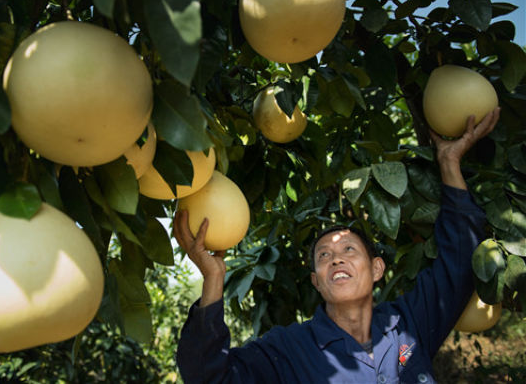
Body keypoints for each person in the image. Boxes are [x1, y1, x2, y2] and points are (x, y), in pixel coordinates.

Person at [173, 108, 501, 384]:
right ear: (316, 280)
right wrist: (214, 279)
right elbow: (208, 377)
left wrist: (449, 162)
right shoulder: (289, 349)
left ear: (376, 269)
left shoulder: (410, 323)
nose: (335, 260)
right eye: (324, 256)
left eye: (349, 250)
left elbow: (461, 257)